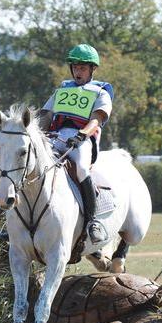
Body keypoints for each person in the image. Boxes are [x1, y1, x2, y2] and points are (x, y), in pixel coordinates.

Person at [39, 43, 114, 244]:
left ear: (92, 69)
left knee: (81, 168)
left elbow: (97, 119)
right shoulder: (63, 89)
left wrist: (81, 135)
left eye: (82, 68)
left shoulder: (100, 92)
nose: (77, 71)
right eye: (75, 67)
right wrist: (37, 134)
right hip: (55, 137)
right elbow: (46, 115)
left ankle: (92, 221)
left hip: (81, 140)